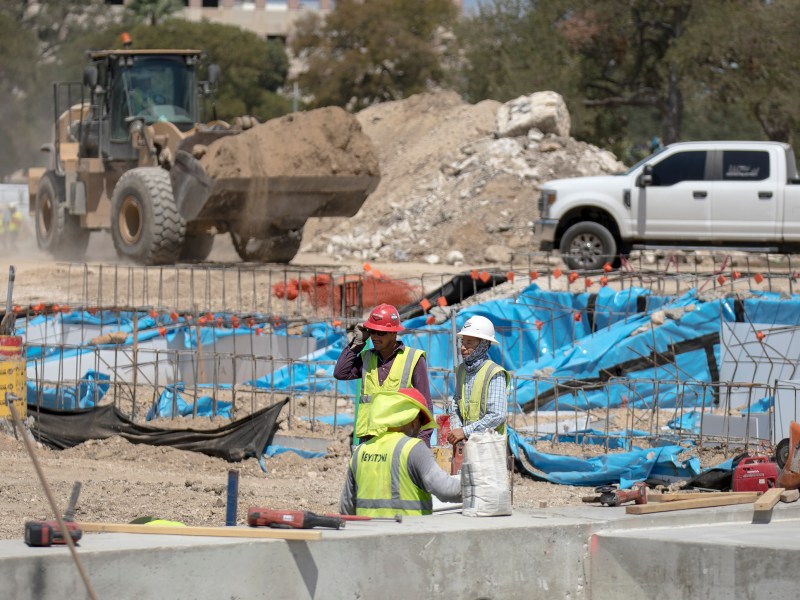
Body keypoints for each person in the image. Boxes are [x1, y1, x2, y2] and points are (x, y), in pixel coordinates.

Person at [339, 388, 462, 516]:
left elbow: (346, 508)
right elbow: (446, 489)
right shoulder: (414, 449)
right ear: (414, 421)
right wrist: (477, 489)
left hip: (367, 534)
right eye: (421, 423)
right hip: (406, 533)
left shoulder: (360, 451)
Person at [334, 303, 433, 447]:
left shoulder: (413, 359)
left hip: (400, 441)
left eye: (380, 333)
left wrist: (423, 442)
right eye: (372, 331)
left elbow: (426, 404)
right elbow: (340, 373)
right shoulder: (366, 358)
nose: (375, 336)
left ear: (393, 333)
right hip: (369, 441)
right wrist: (357, 343)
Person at [446, 315, 510, 446]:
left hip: (489, 446)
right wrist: (457, 431)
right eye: (463, 342)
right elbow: (456, 405)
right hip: (466, 444)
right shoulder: (461, 370)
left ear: (483, 345)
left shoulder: (494, 373)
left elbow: (497, 415)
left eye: (469, 343)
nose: (463, 347)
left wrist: (464, 431)